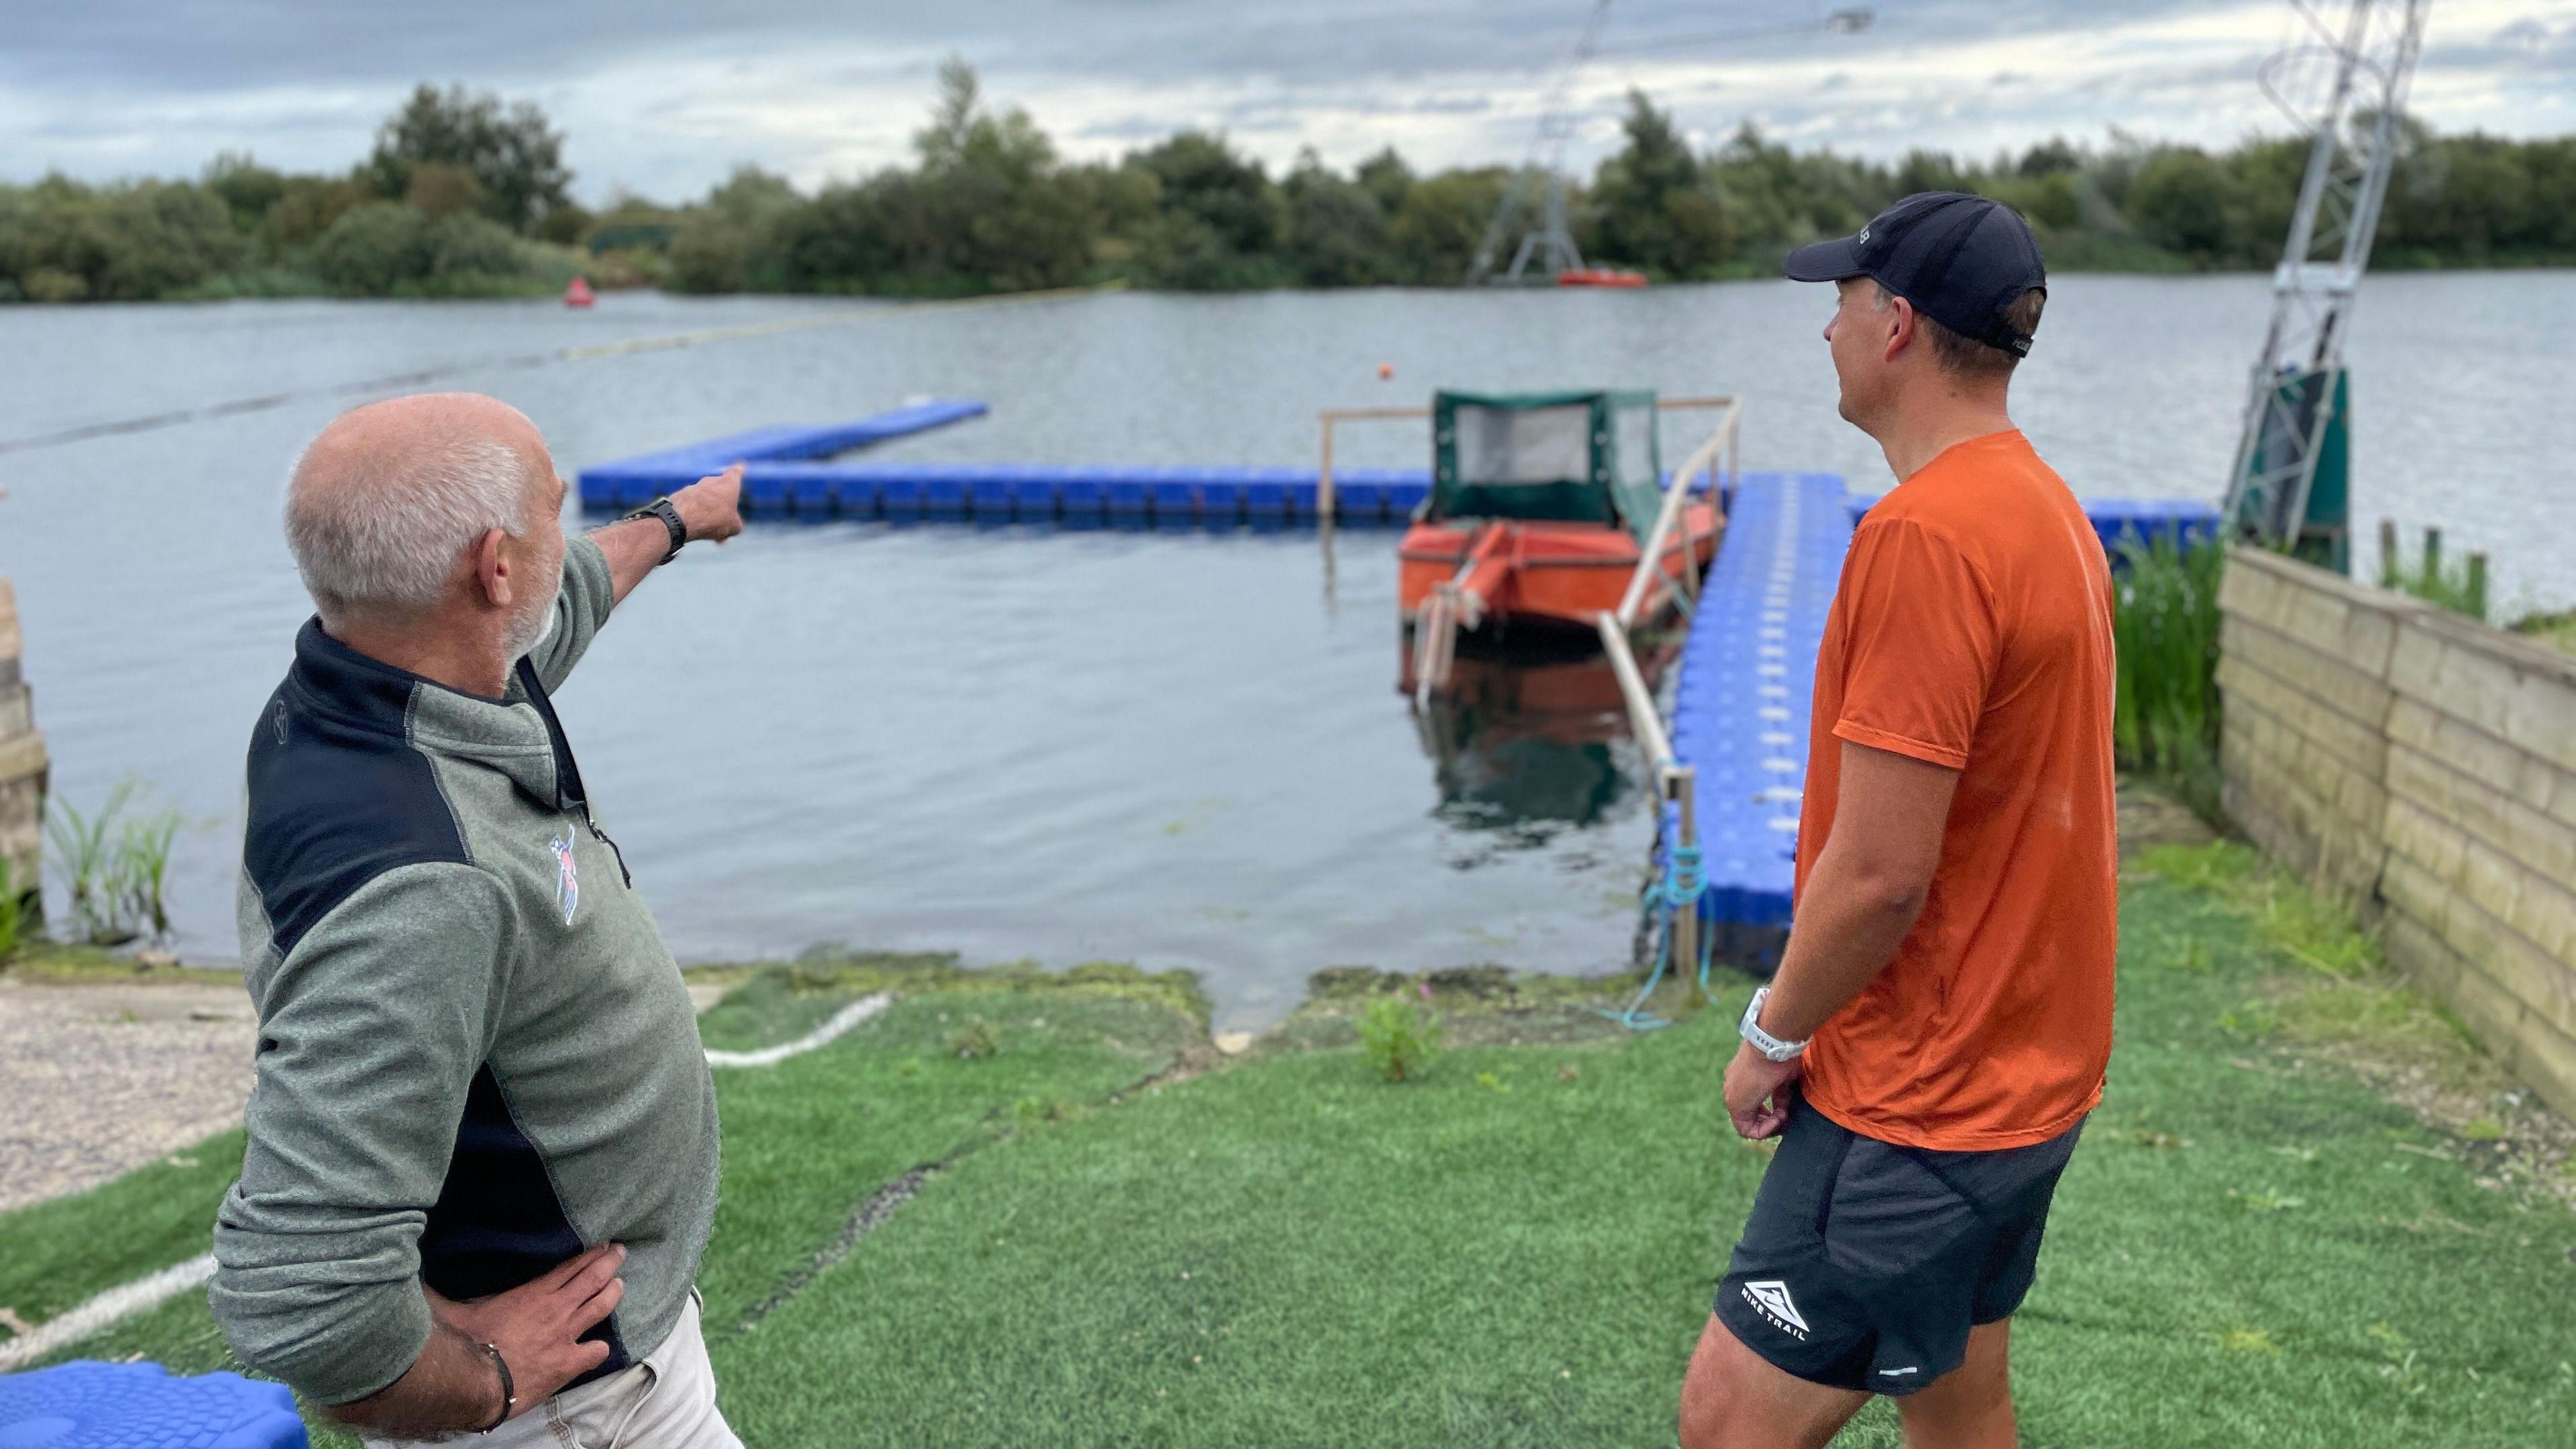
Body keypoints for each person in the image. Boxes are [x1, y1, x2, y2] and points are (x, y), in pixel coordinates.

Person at [211, 392, 748, 1447]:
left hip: (600, 1374)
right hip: (574, 1410)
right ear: (497, 569)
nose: (569, 532)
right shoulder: (421, 883)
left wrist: (681, 519)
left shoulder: (378, 674)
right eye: (554, 510)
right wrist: (489, 1381)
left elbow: (575, 592)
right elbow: (299, 1295)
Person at [1676, 193, 2116, 1448]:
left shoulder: (1927, 537)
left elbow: (1878, 875)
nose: (1825, 329)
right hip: (2031, 1075)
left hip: (1922, 1100)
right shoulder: (2047, 511)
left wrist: (1774, 1029)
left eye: (1841, 301)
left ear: (1898, 326)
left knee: (1728, 1422)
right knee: (1958, 1398)